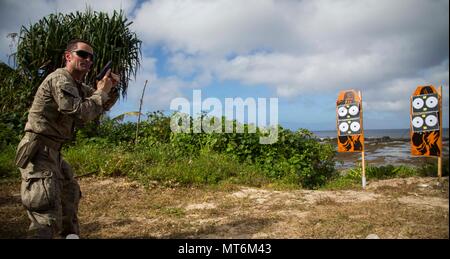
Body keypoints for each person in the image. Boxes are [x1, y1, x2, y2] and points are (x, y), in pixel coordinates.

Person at [15, 39, 120, 239]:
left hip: (54, 152)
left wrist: (110, 89)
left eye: (91, 57)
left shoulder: (77, 86)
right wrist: (101, 92)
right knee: (45, 215)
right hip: (39, 151)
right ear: (68, 56)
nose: (88, 59)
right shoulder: (60, 79)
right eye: (82, 54)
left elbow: (101, 105)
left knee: (68, 202)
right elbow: (81, 112)